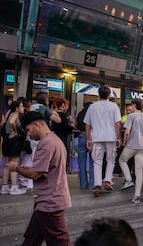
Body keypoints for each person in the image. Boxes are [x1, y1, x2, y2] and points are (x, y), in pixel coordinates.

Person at [7, 111, 71, 245]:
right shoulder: (55, 140)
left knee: (60, 242)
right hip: (46, 201)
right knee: (31, 240)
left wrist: (16, 167)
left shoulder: (46, 143)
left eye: (29, 130)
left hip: (50, 202)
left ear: (37, 124)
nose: (29, 134)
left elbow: (36, 174)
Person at [84, 85, 122, 196]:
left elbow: (87, 124)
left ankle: (97, 185)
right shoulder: (114, 107)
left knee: (97, 161)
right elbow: (117, 124)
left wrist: (88, 139)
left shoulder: (92, 107)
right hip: (111, 137)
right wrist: (118, 137)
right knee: (111, 160)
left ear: (98, 94)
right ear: (109, 95)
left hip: (96, 137)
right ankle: (107, 180)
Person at [119, 98, 143, 204]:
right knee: (139, 171)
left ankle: (128, 180)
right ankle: (137, 196)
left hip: (132, 145)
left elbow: (127, 132)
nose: (130, 107)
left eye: (131, 105)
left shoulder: (131, 116)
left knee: (122, 160)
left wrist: (124, 143)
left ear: (134, 105)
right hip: (142, 147)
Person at [1, 99, 27, 195]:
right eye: (21, 106)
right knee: (14, 163)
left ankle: (4, 186)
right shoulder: (15, 114)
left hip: (6, 140)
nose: (23, 108)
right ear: (17, 108)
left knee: (7, 164)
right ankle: (14, 187)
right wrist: (15, 131)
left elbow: (3, 124)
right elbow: (12, 122)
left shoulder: (8, 113)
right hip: (13, 141)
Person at [76, 102, 94, 189]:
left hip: (81, 136)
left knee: (81, 161)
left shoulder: (80, 114)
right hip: (92, 137)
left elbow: (77, 125)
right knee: (92, 161)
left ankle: (83, 184)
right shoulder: (93, 114)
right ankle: (92, 184)